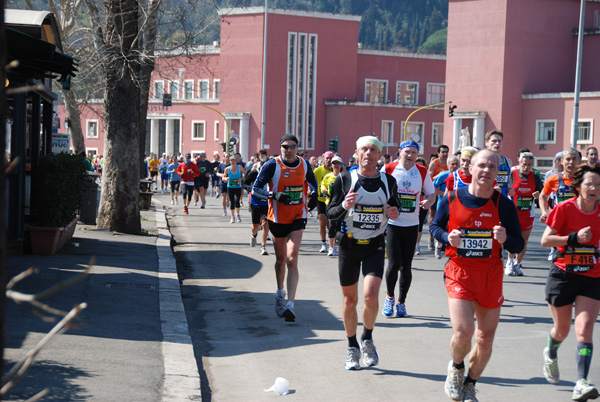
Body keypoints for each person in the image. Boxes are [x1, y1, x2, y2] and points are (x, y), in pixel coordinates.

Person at [430, 149, 524, 402]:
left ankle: (470, 384)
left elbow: (517, 244)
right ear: (470, 168)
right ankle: (457, 367)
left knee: (485, 338)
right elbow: (435, 226)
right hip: (459, 271)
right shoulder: (451, 197)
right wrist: (445, 237)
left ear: (497, 173)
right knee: (463, 332)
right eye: (481, 165)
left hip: (490, 276)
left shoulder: (503, 204)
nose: (486, 171)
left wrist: (506, 239)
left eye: (492, 167)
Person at [327, 135, 400, 370]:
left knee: (370, 297)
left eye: (373, 150)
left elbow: (396, 207)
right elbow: (331, 212)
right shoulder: (345, 178)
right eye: (364, 149)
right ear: (357, 153)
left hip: (375, 246)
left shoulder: (388, 181)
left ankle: (367, 338)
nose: (368, 153)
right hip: (348, 246)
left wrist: (395, 212)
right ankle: (351, 347)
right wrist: (345, 206)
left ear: (380, 155)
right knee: (350, 302)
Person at [540, 164, 600, 402]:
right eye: (589, 184)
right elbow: (546, 240)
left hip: (591, 276)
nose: (594, 188)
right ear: (578, 187)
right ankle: (551, 351)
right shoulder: (565, 208)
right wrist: (573, 238)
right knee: (562, 330)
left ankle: (581, 382)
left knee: (584, 329)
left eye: (598, 185)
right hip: (563, 274)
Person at [252, 134, 318, 322]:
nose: (288, 150)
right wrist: (273, 194)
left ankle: (291, 304)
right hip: (277, 218)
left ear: (298, 148)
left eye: (292, 147)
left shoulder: (304, 164)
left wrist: (314, 192)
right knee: (281, 261)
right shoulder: (272, 165)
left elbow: (313, 182)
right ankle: (280, 293)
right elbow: (255, 188)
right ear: (280, 147)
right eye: (285, 146)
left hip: (298, 216)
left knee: (292, 260)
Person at [382, 141, 435, 318]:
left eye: (414, 152)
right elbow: (378, 190)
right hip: (392, 225)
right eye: (407, 152)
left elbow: (432, 194)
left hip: (412, 225)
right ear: (399, 153)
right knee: (394, 263)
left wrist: (429, 202)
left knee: (407, 266)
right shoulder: (388, 168)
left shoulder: (421, 171)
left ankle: (402, 302)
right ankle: (389, 297)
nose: (410, 155)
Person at [505, 152, 543, 276]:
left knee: (524, 240)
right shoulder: (512, 174)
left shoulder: (535, 176)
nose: (526, 167)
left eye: (529, 165)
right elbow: (505, 189)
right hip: (514, 212)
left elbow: (542, 193)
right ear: (519, 163)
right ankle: (509, 262)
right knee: (513, 238)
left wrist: (537, 195)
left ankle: (517, 263)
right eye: (524, 164)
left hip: (528, 213)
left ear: (532, 165)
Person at [432, 155, 460, 259]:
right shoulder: (444, 175)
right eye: (452, 164)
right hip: (443, 205)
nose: (455, 166)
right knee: (442, 226)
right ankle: (438, 245)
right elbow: (432, 187)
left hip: (457, 207)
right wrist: (444, 194)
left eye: (457, 164)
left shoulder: (461, 176)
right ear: (448, 165)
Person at [243, 159, 270, 255]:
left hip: (267, 202)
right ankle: (253, 235)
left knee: (265, 223)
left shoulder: (271, 174)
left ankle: (263, 246)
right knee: (255, 225)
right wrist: (251, 188)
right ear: (261, 166)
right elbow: (245, 183)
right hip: (255, 202)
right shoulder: (254, 173)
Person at [320, 155, 344, 256]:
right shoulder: (328, 176)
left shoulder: (344, 176)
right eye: (334, 163)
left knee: (339, 226)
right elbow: (322, 185)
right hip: (330, 203)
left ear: (341, 165)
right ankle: (331, 247)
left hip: (342, 204)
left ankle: (337, 246)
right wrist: (323, 190)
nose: (336, 165)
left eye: (338, 163)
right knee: (332, 225)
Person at [428, 144, 450, 251]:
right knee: (434, 217)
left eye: (446, 152)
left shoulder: (450, 165)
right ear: (438, 153)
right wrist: (442, 193)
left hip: (446, 196)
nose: (445, 154)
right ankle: (431, 237)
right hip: (435, 194)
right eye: (443, 152)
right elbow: (429, 181)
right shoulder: (434, 164)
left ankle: (441, 241)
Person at [314, 151, 335, 253]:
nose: (328, 160)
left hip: (332, 201)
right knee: (322, 222)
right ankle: (323, 244)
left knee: (330, 224)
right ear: (323, 159)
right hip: (321, 199)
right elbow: (311, 181)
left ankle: (332, 244)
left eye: (330, 158)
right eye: (327, 158)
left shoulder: (335, 171)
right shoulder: (317, 171)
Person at [484, 130, 513, 197]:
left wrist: (510, 189)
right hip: (487, 199)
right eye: (494, 141)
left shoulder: (508, 162)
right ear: (486, 143)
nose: (497, 143)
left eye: (499, 141)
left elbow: (508, 182)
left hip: (502, 200)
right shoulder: (482, 161)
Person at [223, 154, 245, 223]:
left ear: (236, 161)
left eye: (234, 161)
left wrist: (241, 179)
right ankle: (232, 217)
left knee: (237, 201)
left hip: (238, 187)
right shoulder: (227, 169)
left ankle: (238, 215)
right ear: (230, 161)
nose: (233, 162)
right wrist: (226, 178)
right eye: (231, 161)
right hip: (230, 187)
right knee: (232, 202)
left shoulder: (240, 167)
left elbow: (244, 174)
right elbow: (223, 177)